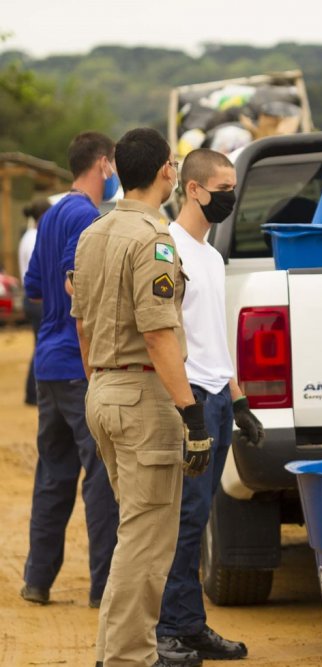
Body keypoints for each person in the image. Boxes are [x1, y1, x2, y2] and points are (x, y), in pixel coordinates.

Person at [71, 127, 213, 667]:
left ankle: (119, 652)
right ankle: (131, 657)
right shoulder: (153, 240)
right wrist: (192, 415)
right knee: (147, 539)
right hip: (139, 392)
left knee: (134, 530)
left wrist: (99, 384)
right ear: (166, 173)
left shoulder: (94, 233)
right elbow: (158, 333)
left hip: (103, 387)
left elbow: (82, 322)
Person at [157, 148, 260, 664]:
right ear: (193, 189)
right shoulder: (168, 248)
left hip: (219, 397)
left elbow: (214, 336)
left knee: (200, 516)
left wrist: (239, 401)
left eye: (233, 186)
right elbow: (164, 337)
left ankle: (189, 625)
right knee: (183, 517)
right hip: (191, 399)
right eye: (222, 188)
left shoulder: (213, 257)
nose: (230, 196)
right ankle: (170, 629)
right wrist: (189, 409)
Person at [20, 133, 119, 610]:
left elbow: (34, 288)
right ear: (103, 164)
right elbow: (71, 281)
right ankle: (104, 587)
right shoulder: (85, 216)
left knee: (53, 474)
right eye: (114, 165)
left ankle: (37, 580)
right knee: (100, 475)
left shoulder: (54, 214)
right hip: (79, 365)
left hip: (48, 363)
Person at [19, 197, 50, 405]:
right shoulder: (35, 237)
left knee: (39, 344)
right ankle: (33, 393)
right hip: (36, 299)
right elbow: (37, 271)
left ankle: (33, 392)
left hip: (31, 298)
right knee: (41, 345)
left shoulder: (28, 236)